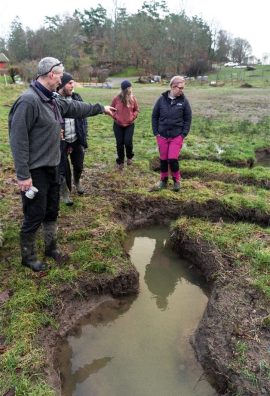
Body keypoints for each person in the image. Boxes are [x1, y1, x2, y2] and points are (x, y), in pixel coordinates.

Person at [9, 57, 116, 272]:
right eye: (60, 74)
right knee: (35, 213)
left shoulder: (52, 99)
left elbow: (74, 107)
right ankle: (28, 256)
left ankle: (51, 248)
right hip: (35, 169)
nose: (62, 78)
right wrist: (23, 175)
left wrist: (100, 108)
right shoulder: (29, 101)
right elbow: (17, 140)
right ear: (51, 74)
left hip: (54, 165)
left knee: (52, 210)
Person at [152, 76, 192, 191]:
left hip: (176, 136)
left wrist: (183, 134)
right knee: (163, 159)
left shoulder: (184, 101)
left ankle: (176, 181)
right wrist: (156, 132)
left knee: (172, 159)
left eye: (183, 88)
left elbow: (188, 118)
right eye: (180, 88)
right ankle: (163, 181)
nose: (182, 90)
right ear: (173, 87)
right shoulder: (161, 100)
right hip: (162, 135)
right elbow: (154, 116)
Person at [57, 73, 88, 206]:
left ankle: (77, 181)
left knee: (79, 165)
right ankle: (65, 192)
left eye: (73, 82)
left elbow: (83, 119)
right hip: (60, 141)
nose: (72, 85)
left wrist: (83, 134)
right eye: (70, 83)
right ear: (62, 85)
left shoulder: (77, 97)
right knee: (62, 168)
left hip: (76, 139)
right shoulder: (54, 101)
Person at [111, 80, 139, 170]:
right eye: (128, 88)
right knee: (119, 143)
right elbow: (111, 109)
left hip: (129, 125)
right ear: (124, 89)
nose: (130, 89)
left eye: (130, 87)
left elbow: (136, 110)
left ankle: (129, 156)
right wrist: (116, 117)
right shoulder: (116, 99)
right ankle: (120, 162)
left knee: (127, 142)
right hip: (118, 125)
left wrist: (132, 117)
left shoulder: (133, 98)